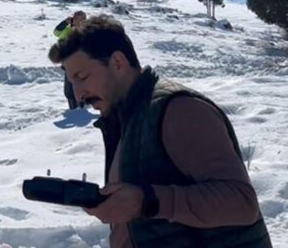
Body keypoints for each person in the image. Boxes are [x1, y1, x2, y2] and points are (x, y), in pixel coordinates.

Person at [47, 15, 271, 248]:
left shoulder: (179, 110)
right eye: (72, 83)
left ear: (118, 62)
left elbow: (241, 203)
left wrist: (147, 201)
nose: (78, 94)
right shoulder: (128, 118)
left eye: (82, 77)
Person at [53, 10, 86, 109]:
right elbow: (56, 32)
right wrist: (64, 22)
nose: (78, 21)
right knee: (68, 90)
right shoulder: (66, 30)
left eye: (81, 19)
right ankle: (73, 109)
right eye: (76, 18)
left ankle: (81, 109)